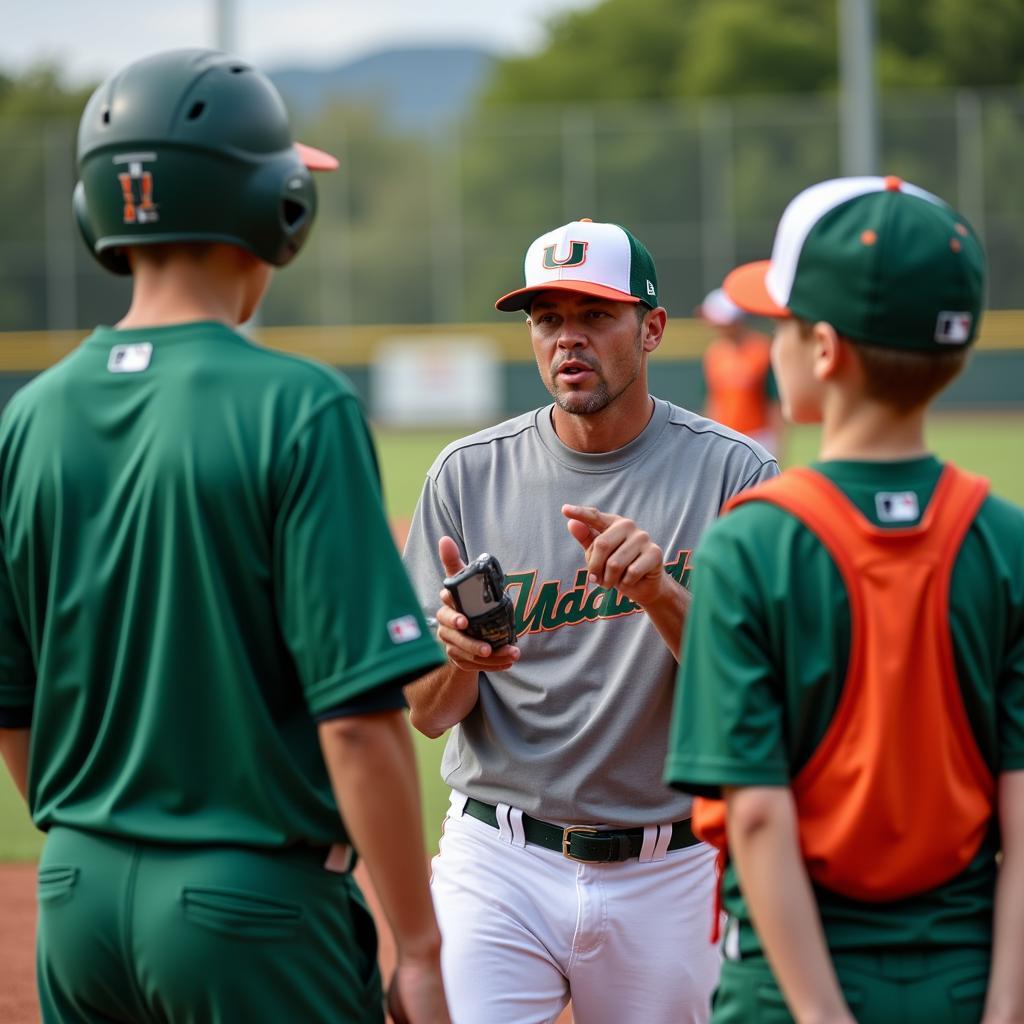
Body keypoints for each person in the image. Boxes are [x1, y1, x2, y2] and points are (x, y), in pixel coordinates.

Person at [0, 49, 450, 1024]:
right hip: (250, 911)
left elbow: (11, 700)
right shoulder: (296, 405)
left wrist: (106, 829)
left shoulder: (28, 418)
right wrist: (417, 948)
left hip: (73, 897)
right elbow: (361, 722)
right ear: (276, 208)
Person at [665, 175, 1024, 1024]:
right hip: (966, 980)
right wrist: (1006, 1005)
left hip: (790, 986)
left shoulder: (750, 543)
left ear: (821, 350)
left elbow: (755, 817)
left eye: (781, 323)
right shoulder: (1005, 541)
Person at [401, 218, 778, 1023]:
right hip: (498, 857)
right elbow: (427, 716)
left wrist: (662, 595)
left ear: (652, 329)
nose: (567, 339)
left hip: (672, 864)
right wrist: (460, 657)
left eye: (595, 315)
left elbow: (764, 696)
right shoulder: (466, 477)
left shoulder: (736, 474)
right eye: (547, 320)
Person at [697, 287, 783, 457]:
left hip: (759, 437)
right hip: (725, 436)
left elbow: (773, 402)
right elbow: (712, 400)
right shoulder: (714, 354)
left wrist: (777, 444)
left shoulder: (761, 351)